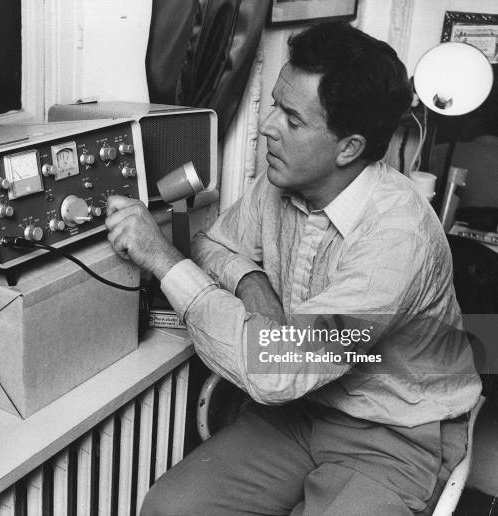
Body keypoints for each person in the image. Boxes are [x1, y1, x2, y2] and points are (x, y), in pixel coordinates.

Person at [105, 22, 482, 515]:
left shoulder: (396, 239)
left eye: (292, 119)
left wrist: (160, 257)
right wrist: (253, 280)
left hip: (392, 430)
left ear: (348, 147)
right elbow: (212, 242)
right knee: (168, 509)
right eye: (274, 106)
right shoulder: (284, 179)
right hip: (304, 410)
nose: (267, 127)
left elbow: (276, 370)